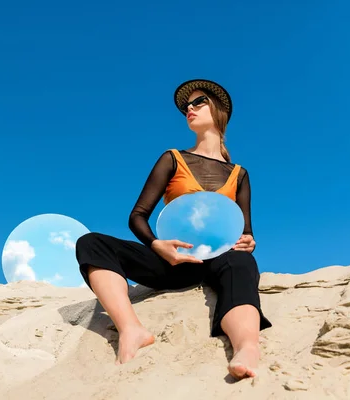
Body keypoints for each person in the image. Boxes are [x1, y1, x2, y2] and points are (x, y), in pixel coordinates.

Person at [74, 78, 272, 380]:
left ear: (218, 110)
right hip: (172, 259)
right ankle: (131, 329)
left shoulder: (239, 174)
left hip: (220, 260)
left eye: (198, 102)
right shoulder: (172, 158)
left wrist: (248, 241)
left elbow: (245, 231)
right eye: (186, 106)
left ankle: (247, 346)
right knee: (91, 243)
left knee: (243, 260)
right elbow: (138, 216)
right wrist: (157, 245)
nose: (188, 109)